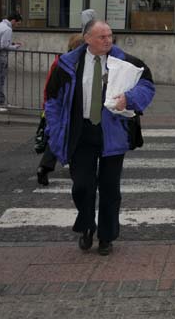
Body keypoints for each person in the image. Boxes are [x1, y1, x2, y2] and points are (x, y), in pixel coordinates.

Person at [44, 20, 155, 256]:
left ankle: (106, 237)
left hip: (112, 134)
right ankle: (86, 225)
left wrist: (130, 98)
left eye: (110, 36)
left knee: (109, 189)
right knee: (82, 186)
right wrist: (54, 132)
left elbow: (147, 85)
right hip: (81, 133)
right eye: (102, 36)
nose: (108, 40)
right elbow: (52, 100)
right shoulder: (67, 65)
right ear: (87, 39)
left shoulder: (126, 62)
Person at [36, 33, 88, 186]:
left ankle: (44, 167)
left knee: (59, 137)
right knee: (72, 136)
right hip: (69, 108)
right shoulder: (72, 63)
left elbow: (49, 87)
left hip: (63, 107)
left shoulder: (62, 61)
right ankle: (75, 166)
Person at [0, 12, 23, 111]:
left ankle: (0, 102)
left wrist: (12, 43)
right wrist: (15, 47)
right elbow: (4, 46)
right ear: (13, 21)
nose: (17, 26)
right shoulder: (7, 29)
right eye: (18, 24)